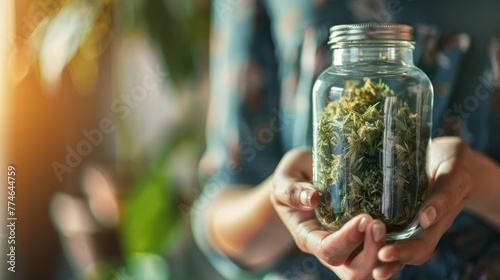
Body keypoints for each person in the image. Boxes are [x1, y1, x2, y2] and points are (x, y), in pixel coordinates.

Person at [192, 0, 500, 279]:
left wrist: (474, 177)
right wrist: (286, 196)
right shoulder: (330, 84)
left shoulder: (414, 83)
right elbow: (219, 206)